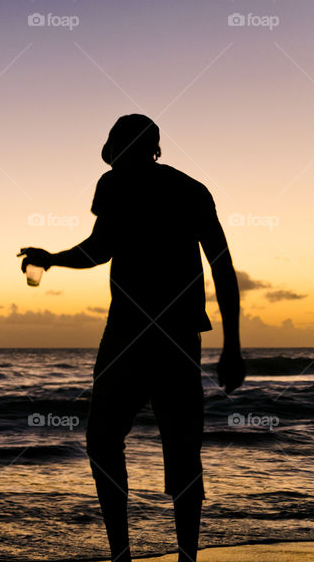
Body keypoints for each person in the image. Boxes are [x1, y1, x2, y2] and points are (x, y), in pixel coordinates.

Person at [19, 115, 245, 562]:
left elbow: (221, 264)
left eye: (119, 149)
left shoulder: (164, 188)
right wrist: (53, 258)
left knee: (135, 443)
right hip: (155, 335)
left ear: (140, 149)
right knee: (134, 443)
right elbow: (101, 249)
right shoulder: (145, 186)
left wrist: (234, 346)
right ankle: (148, 556)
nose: (115, 158)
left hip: (147, 335)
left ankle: (155, 556)